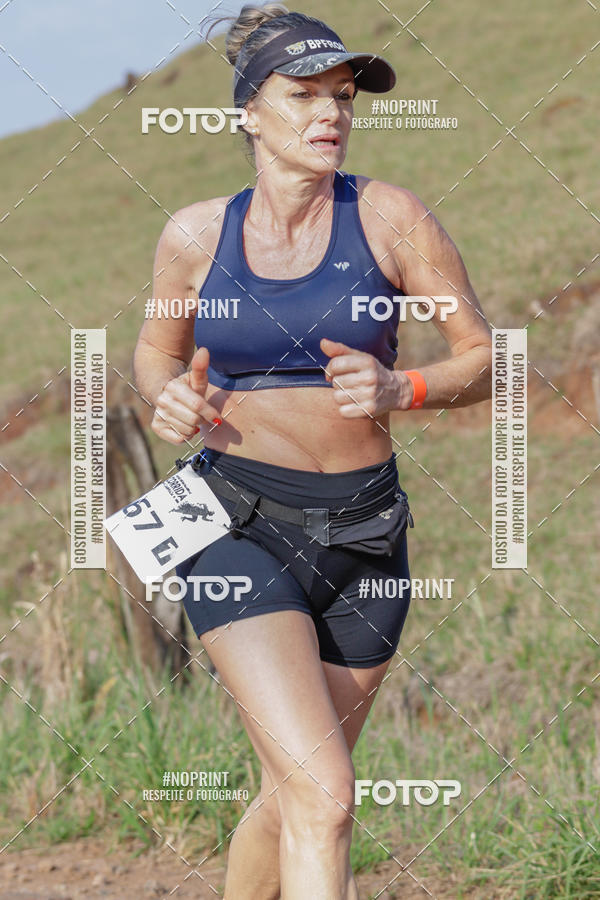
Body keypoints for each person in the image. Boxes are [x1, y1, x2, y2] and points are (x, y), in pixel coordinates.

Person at [133, 4, 492, 897]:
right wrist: (166, 395)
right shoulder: (195, 235)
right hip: (233, 522)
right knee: (328, 797)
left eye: (343, 96)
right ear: (249, 112)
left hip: (367, 536)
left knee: (294, 792)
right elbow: (155, 350)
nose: (331, 113)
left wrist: (402, 388)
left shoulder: (390, 216)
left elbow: (485, 356)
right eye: (304, 95)